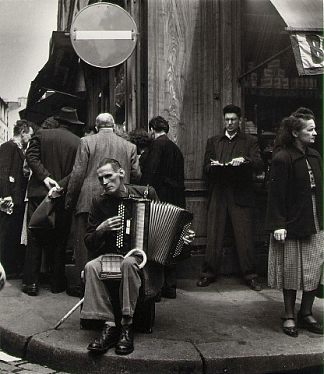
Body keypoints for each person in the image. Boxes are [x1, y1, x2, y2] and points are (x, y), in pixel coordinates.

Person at [82, 158, 193, 355]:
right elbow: (89, 241)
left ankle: (126, 324)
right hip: (112, 255)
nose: (105, 182)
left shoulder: (146, 193)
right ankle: (109, 325)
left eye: (109, 176)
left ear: (122, 174)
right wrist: (102, 229)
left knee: (128, 263)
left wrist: (182, 237)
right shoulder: (99, 202)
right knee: (91, 267)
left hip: (142, 259)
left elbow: (169, 228)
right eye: (101, 179)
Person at [65, 113, 140, 295]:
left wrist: (70, 202)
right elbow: (137, 175)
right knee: (119, 244)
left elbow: (77, 174)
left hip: (88, 198)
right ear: (114, 126)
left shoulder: (86, 142)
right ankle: (117, 289)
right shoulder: (129, 146)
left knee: (87, 246)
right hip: (122, 201)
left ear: (97, 127)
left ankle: (85, 289)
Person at [266, 111, 323, 337]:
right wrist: (278, 224)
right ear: (295, 132)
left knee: (314, 268)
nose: (315, 133)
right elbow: (276, 195)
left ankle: (306, 312)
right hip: (290, 221)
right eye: (309, 129)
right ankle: (290, 315)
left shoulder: (316, 156)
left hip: (315, 219)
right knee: (290, 269)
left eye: (314, 128)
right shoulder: (282, 158)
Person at [197, 104, 263, 291]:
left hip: (241, 192)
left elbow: (259, 164)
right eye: (227, 119)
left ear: (240, 120)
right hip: (218, 192)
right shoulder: (214, 141)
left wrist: (245, 161)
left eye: (233, 119)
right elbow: (206, 168)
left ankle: (251, 276)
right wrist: (215, 166)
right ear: (223, 120)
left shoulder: (249, 141)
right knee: (214, 235)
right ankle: (208, 273)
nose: (230, 123)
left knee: (244, 236)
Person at [22, 107, 82, 296]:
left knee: (34, 236)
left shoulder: (41, 134)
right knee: (60, 237)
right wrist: (60, 186)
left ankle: (31, 283)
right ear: (72, 124)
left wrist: (45, 177)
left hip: (39, 193)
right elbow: (78, 171)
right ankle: (57, 282)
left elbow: (30, 156)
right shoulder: (78, 142)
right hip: (63, 195)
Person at [141, 116, 185, 299]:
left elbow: (150, 174)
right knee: (172, 242)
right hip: (176, 200)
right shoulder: (176, 148)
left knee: (156, 243)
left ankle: (156, 289)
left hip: (159, 200)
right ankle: (171, 286)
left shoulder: (156, 146)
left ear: (152, 129)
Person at [0, 120, 33, 278]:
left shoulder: (18, 148)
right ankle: (6, 267)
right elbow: (4, 172)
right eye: (29, 134)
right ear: (23, 132)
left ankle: (10, 266)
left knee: (11, 232)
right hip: (10, 198)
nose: (30, 137)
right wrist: (6, 195)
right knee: (6, 232)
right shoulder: (9, 147)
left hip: (16, 197)